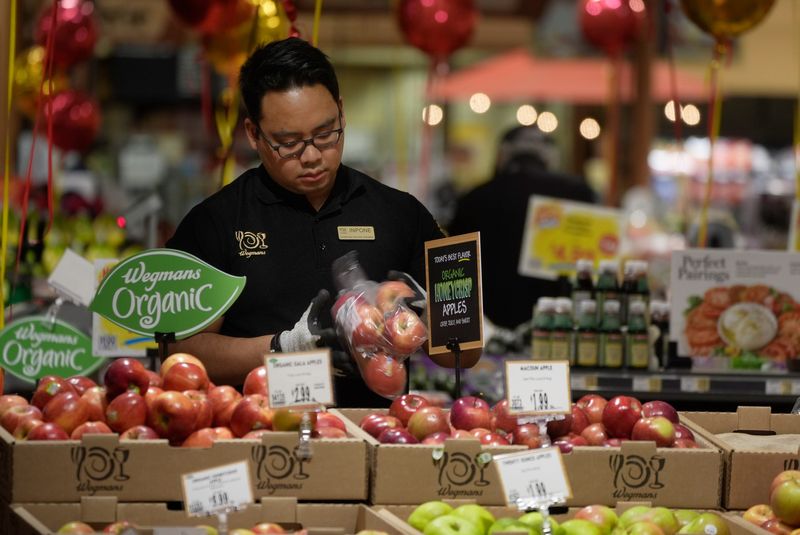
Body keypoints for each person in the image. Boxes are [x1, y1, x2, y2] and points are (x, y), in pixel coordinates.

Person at [166, 37, 444, 407]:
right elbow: (180, 353)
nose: (312, 155)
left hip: (377, 439)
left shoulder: (400, 213)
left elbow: (460, 352)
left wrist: (415, 322)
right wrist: (287, 347)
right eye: (289, 142)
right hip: (261, 438)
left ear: (342, 114)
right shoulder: (216, 222)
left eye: (325, 133)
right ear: (253, 134)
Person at [448, 125, 597, 333]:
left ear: (502, 155)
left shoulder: (472, 198)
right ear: (550, 157)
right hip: (559, 329)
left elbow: (453, 272)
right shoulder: (578, 194)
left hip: (486, 329)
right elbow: (594, 266)